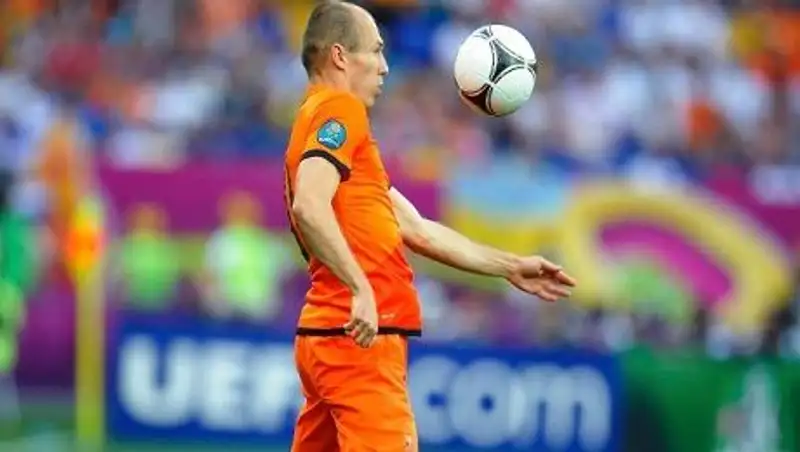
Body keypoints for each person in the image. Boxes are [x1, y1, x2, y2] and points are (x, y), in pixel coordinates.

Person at [283, 2, 577, 451]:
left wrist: (509, 266)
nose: (385, 66)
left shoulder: (323, 125)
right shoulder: (340, 110)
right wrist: (360, 288)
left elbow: (417, 229)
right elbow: (308, 204)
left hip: (329, 336)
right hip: (361, 338)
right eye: (376, 51)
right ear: (340, 56)